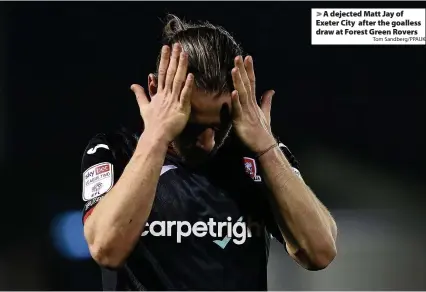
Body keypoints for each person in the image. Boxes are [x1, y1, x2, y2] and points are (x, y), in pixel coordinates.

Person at [80, 15, 337, 291]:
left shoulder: (256, 158)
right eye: (191, 124)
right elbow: (106, 249)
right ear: (156, 90)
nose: (207, 142)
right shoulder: (115, 150)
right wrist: (155, 137)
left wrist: (267, 147)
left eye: (220, 125)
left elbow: (319, 252)